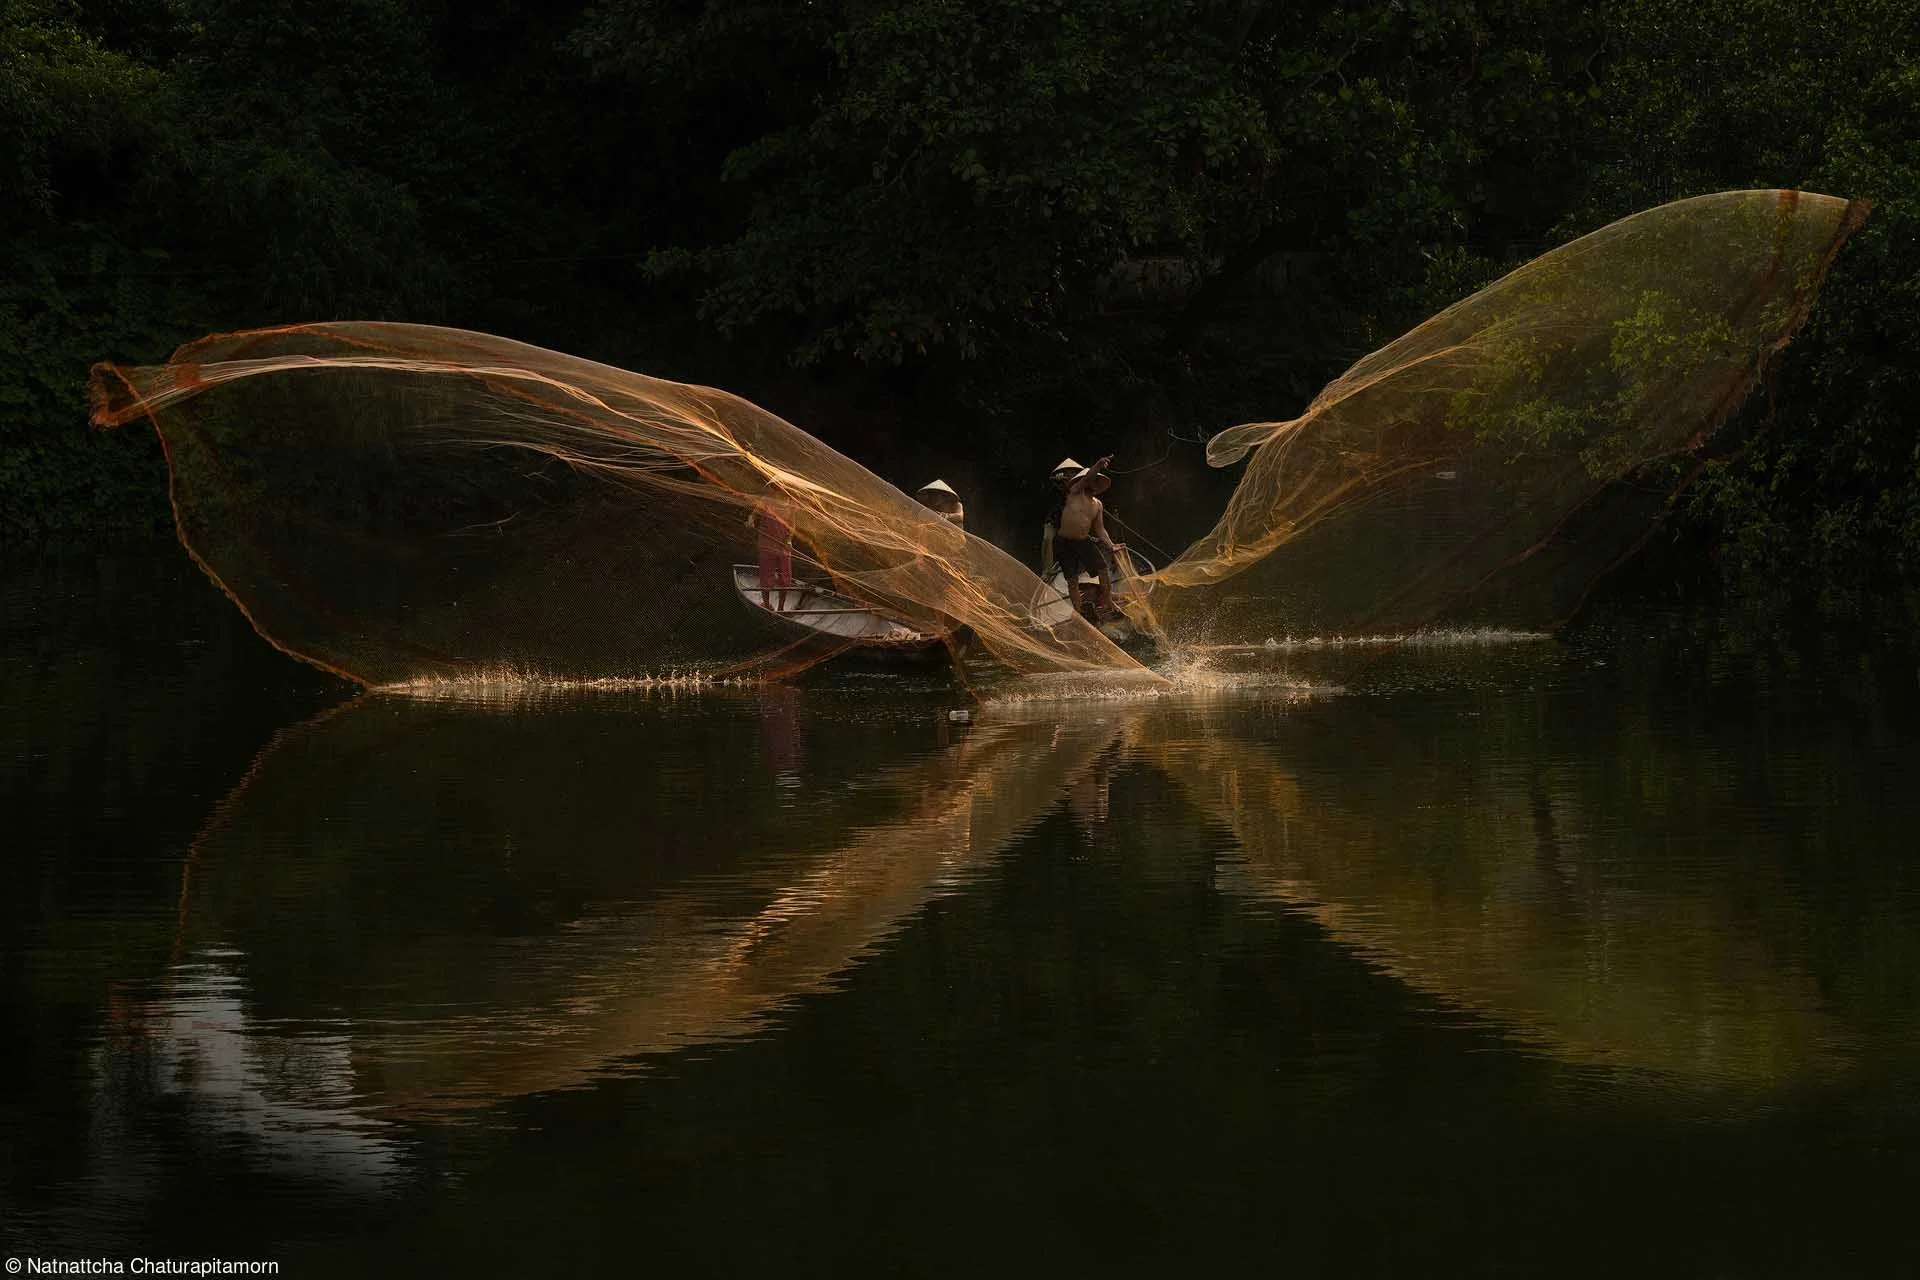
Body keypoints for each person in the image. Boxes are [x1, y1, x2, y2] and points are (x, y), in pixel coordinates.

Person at [1055, 455, 1123, 618]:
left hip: (1083, 541)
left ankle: (1108, 601)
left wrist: (1111, 545)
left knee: (1103, 569)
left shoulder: (1098, 504)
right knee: (1072, 579)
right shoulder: (1075, 492)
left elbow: (1100, 530)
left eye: (1096, 482)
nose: (1093, 484)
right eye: (1091, 480)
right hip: (1064, 542)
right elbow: (1087, 478)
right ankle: (1077, 610)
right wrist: (1099, 464)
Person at [1040, 456, 1082, 575]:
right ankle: (1047, 571)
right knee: (1047, 539)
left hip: (1072, 521)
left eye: (1073, 472)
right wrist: (1060, 481)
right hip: (1055, 518)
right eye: (1068, 472)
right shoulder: (1058, 483)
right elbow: (1053, 482)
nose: (1071, 474)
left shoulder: (1080, 487)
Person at [752, 494, 794, 606]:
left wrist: (789, 540)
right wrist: (750, 521)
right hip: (767, 543)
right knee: (766, 574)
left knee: (785, 577)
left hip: (783, 545)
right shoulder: (765, 500)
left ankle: (781, 608)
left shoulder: (791, 504)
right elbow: (753, 516)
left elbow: (792, 526)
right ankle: (766, 604)